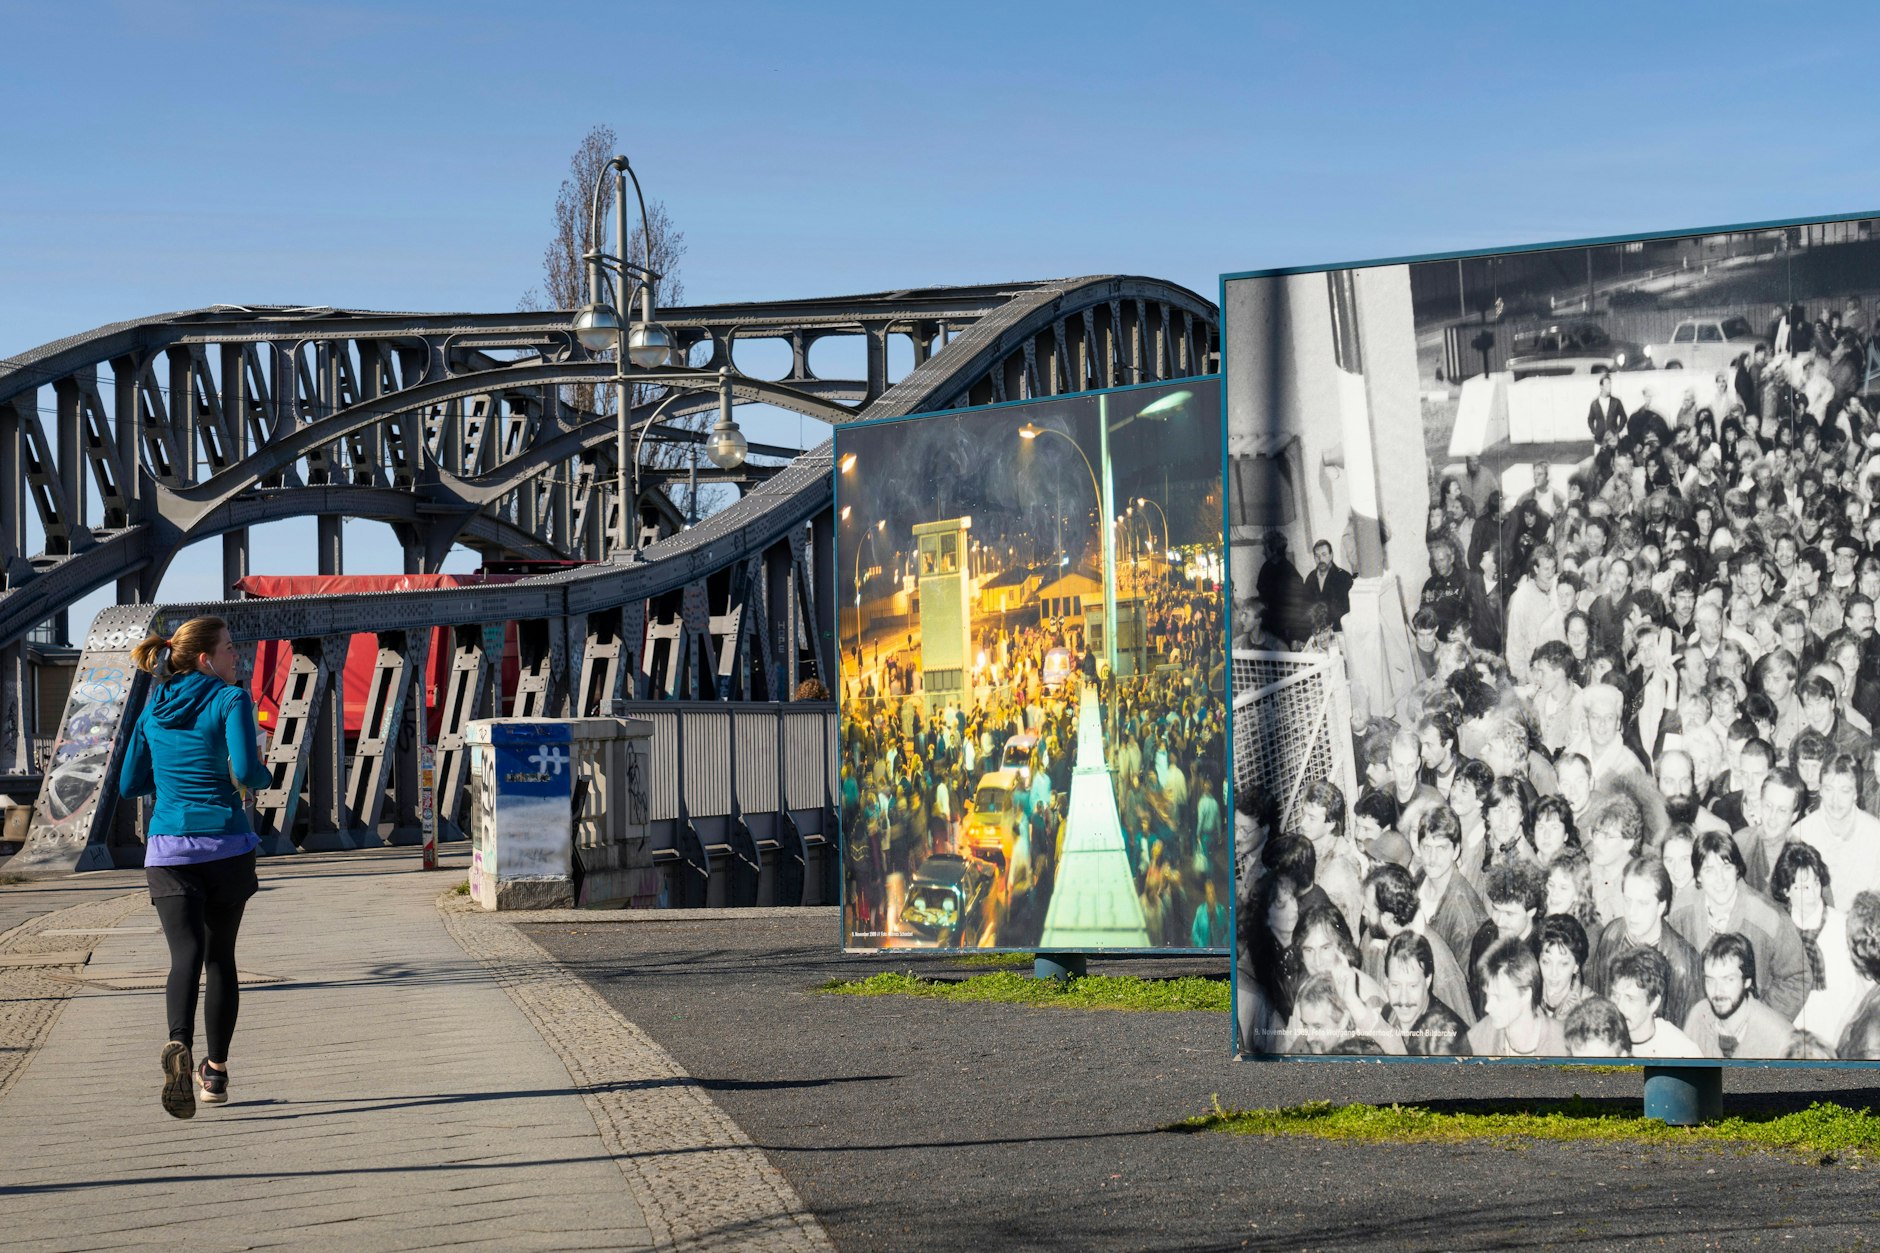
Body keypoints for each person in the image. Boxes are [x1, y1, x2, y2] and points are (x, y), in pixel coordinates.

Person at [119, 616, 273, 1119]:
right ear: (207, 659)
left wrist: (172, 788)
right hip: (226, 846)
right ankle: (216, 1074)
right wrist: (262, 775)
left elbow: (128, 784)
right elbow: (248, 772)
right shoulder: (231, 700)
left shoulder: (153, 708)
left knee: (184, 956)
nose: (238, 658)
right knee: (220, 959)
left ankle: (178, 1044)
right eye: (230, 649)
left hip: (168, 851)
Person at [1682, 932, 1799, 1059]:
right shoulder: (1698, 1016)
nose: (1717, 991)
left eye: (1728, 980)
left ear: (1747, 981)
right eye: (1710, 980)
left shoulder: (1781, 1040)